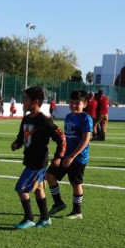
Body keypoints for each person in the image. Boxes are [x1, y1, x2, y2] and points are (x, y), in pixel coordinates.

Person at [9, 86, 66, 229]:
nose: (23, 102)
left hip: (38, 162)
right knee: (38, 189)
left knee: (21, 188)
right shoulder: (27, 118)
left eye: (25, 99)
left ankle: (29, 218)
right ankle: (45, 218)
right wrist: (17, 143)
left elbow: (61, 138)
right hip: (29, 159)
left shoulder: (44, 121)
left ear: (35, 102)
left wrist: (58, 156)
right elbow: (22, 136)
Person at [47, 90, 92, 220]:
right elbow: (66, 138)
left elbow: (85, 140)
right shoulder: (68, 117)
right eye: (71, 102)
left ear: (84, 104)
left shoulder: (86, 118)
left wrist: (72, 156)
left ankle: (77, 212)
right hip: (65, 155)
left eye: (77, 103)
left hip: (78, 157)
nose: (73, 105)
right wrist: (61, 154)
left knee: (75, 183)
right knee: (50, 175)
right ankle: (58, 203)